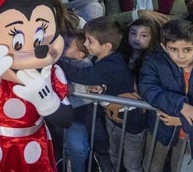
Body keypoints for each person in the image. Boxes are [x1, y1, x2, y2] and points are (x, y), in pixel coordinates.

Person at [59, 16, 146, 172]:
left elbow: (82, 75)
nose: (86, 45)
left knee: (131, 164)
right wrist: (101, 89)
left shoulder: (111, 64)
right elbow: (106, 82)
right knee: (114, 156)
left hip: (132, 125)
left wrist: (56, 61)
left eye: (90, 41)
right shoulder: (107, 60)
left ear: (106, 46)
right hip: (115, 121)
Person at [139, 19, 193, 172]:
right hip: (160, 131)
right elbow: (148, 89)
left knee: (178, 167)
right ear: (164, 47)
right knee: (152, 166)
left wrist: (181, 120)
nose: (180, 56)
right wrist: (182, 106)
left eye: (187, 50)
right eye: (173, 49)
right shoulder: (154, 62)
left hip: (192, 137)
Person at [61, 29, 112, 172]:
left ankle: (102, 154)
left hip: (86, 108)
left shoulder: (85, 64)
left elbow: (92, 80)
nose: (61, 47)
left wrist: (98, 87)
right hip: (69, 110)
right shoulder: (59, 61)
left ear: (79, 54)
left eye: (66, 45)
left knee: (98, 133)